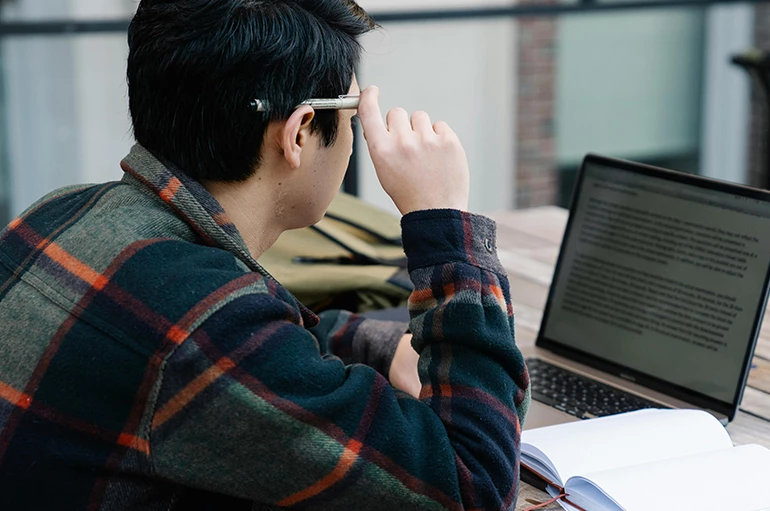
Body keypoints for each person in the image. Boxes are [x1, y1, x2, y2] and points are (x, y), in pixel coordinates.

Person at [0, 0, 529, 509]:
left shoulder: (60, 213)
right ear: (299, 132)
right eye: (352, 112)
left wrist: (379, 348)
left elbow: (249, 342)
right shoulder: (209, 324)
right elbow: (473, 486)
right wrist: (443, 219)